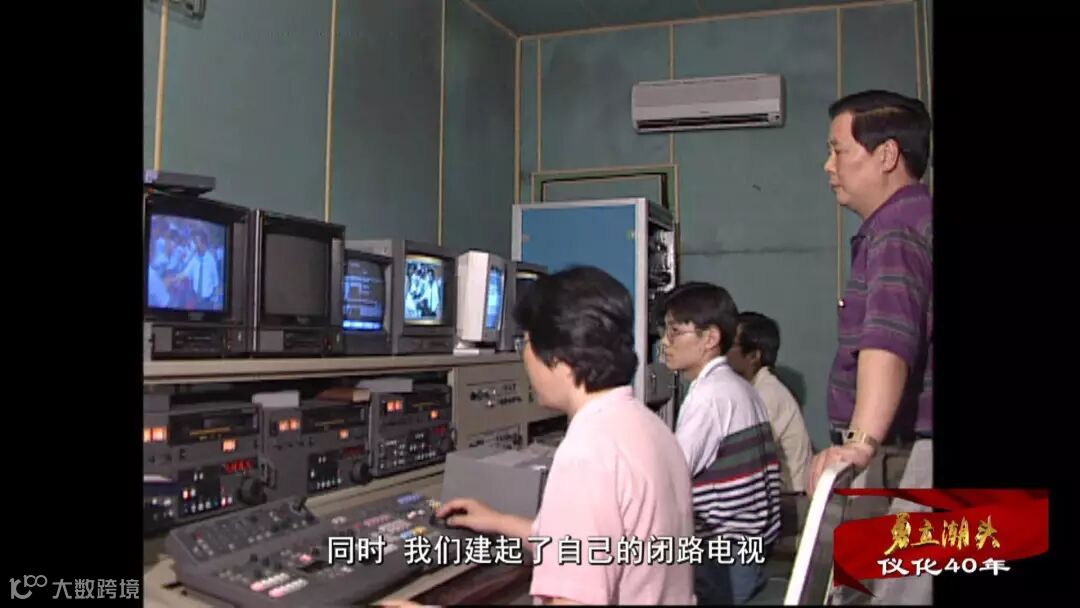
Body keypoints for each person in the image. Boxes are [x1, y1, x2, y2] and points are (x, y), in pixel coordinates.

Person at [435, 266, 695, 605]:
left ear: (560, 357)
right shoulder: (649, 426)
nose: (524, 356)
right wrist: (499, 521)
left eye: (526, 342)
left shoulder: (586, 452)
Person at [811, 90, 933, 605]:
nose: (828, 166)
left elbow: (888, 339)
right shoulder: (913, 221)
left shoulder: (896, 230)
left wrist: (860, 441)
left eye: (838, 150)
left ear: (886, 155)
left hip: (910, 456)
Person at [660, 282, 781, 605]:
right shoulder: (740, 387)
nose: (665, 342)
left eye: (674, 331)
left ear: (710, 338)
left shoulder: (708, 396)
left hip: (722, 560)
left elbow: (669, 478)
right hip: (750, 553)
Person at [726, 312, 813, 494]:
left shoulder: (767, 394)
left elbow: (745, 458)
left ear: (753, 356)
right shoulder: (753, 389)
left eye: (730, 345)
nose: (722, 352)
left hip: (791, 499)